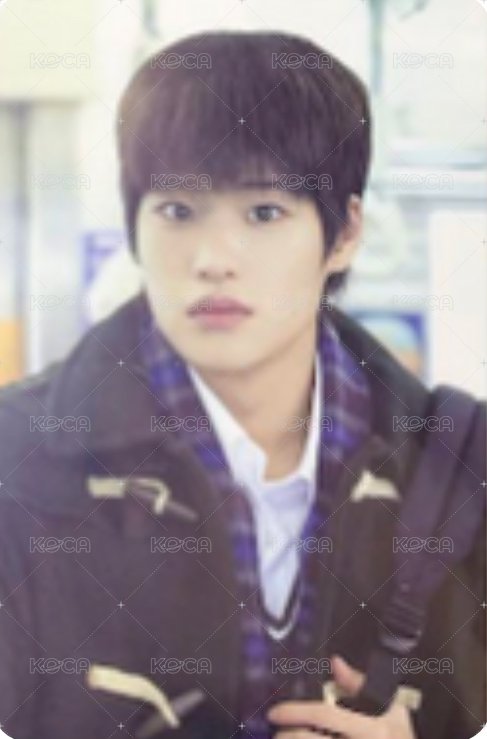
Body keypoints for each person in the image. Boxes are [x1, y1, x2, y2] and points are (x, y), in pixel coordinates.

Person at [0, 31, 485, 739]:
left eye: (263, 213)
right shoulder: (19, 462)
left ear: (344, 233)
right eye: (177, 211)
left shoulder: (459, 467)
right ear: (134, 230)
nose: (212, 259)